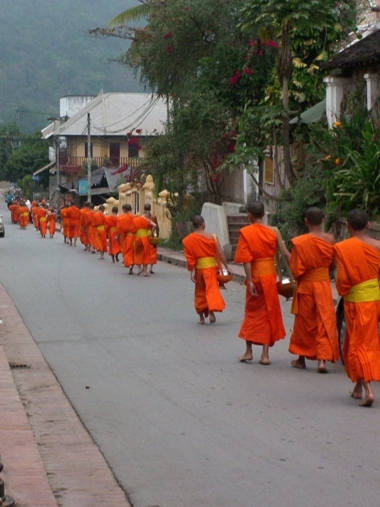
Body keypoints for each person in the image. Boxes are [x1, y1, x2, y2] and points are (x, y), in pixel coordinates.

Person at [334, 208, 380, 407]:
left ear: (347, 226)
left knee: (358, 345)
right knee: (369, 341)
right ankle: (358, 388)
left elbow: (343, 280)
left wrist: (343, 291)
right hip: (374, 299)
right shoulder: (378, 246)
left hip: (356, 301)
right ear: (368, 225)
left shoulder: (344, 248)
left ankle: (368, 390)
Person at [289, 207, 339, 373]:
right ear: (323, 220)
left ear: (306, 221)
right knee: (324, 320)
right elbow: (333, 264)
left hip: (307, 285)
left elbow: (296, 269)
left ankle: (301, 359)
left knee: (305, 323)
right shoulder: (330, 239)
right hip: (323, 284)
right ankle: (322, 361)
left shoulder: (300, 241)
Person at [234, 201, 285, 365]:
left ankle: (248, 352)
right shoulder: (272, 232)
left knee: (251, 313)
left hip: (255, 276)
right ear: (263, 214)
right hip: (269, 276)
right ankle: (265, 355)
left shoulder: (246, 233)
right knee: (268, 313)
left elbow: (247, 260)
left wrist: (249, 280)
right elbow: (282, 254)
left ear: (249, 215)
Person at [182, 215, 232, 325]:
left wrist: (192, 271)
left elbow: (190, 258)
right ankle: (211, 312)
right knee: (211, 290)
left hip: (199, 268)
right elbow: (220, 252)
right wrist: (226, 266)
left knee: (200, 292)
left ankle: (201, 317)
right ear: (203, 224)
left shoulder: (189, 239)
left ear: (193, 225)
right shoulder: (212, 237)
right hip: (210, 269)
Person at [133, 211, 156, 276]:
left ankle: (139, 268)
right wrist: (151, 233)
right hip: (145, 239)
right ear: (148, 215)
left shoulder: (136, 219)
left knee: (137, 253)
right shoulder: (148, 220)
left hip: (138, 238)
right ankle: (145, 272)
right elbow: (155, 225)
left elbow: (132, 229)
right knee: (145, 254)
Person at [116, 204, 136, 274]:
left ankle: (130, 264)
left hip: (127, 236)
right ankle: (132, 265)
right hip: (135, 236)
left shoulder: (121, 218)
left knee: (128, 251)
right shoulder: (135, 217)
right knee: (133, 251)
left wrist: (118, 236)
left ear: (124, 210)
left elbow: (119, 229)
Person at [143, 203, 159, 274]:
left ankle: (145, 267)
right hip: (152, 234)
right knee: (153, 250)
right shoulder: (153, 217)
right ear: (150, 208)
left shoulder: (142, 217)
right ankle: (151, 267)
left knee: (145, 250)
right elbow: (157, 226)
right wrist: (157, 235)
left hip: (144, 234)